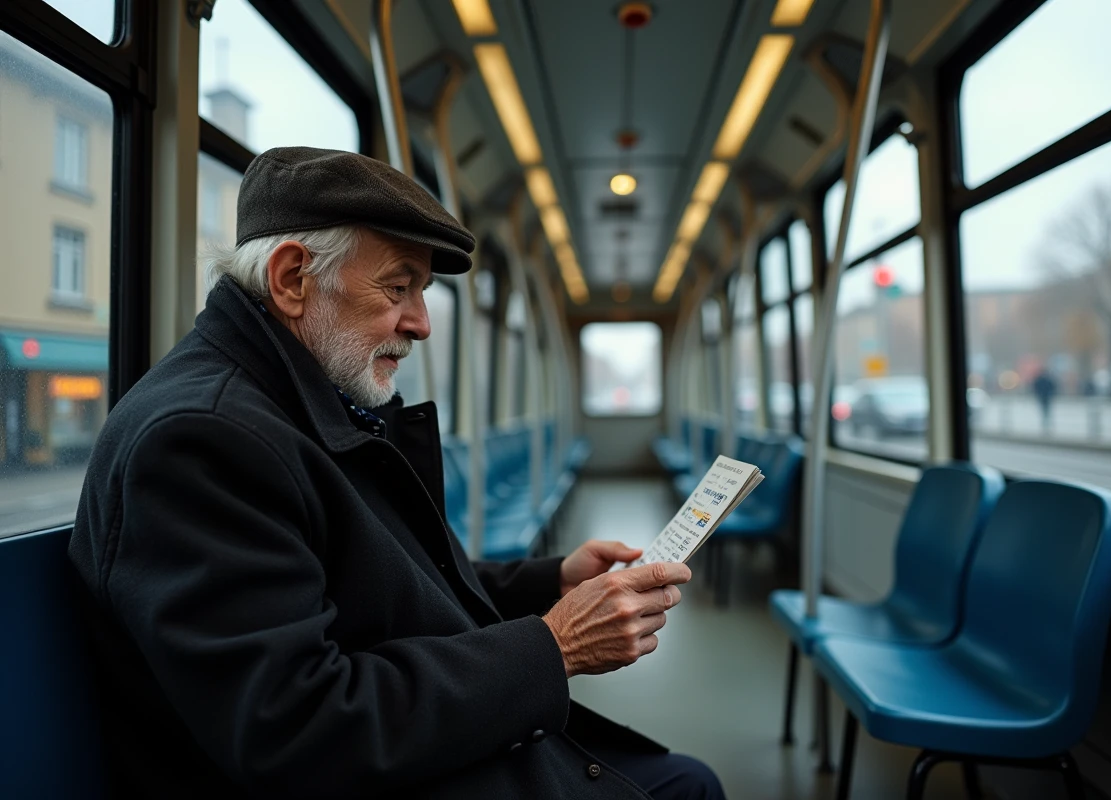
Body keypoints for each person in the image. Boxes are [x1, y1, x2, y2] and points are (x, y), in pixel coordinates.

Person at [68, 147, 723, 799]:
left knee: (683, 781)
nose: (422, 323)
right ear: (293, 279)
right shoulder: (204, 441)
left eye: (423, 292)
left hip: (404, 755)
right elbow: (297, 727)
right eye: (398, 286)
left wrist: (547, 582)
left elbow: (386, 590)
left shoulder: (294, 408)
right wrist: (557, 647)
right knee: (686, 788)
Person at [1033, 368, 1057, 433]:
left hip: (1044, 396)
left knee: (1045, 410)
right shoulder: (1047, 380)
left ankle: (1046, 422)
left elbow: (1035, 387)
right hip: (1045, 396)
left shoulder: (1041, 380)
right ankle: (1046, 422)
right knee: (1045, 410)